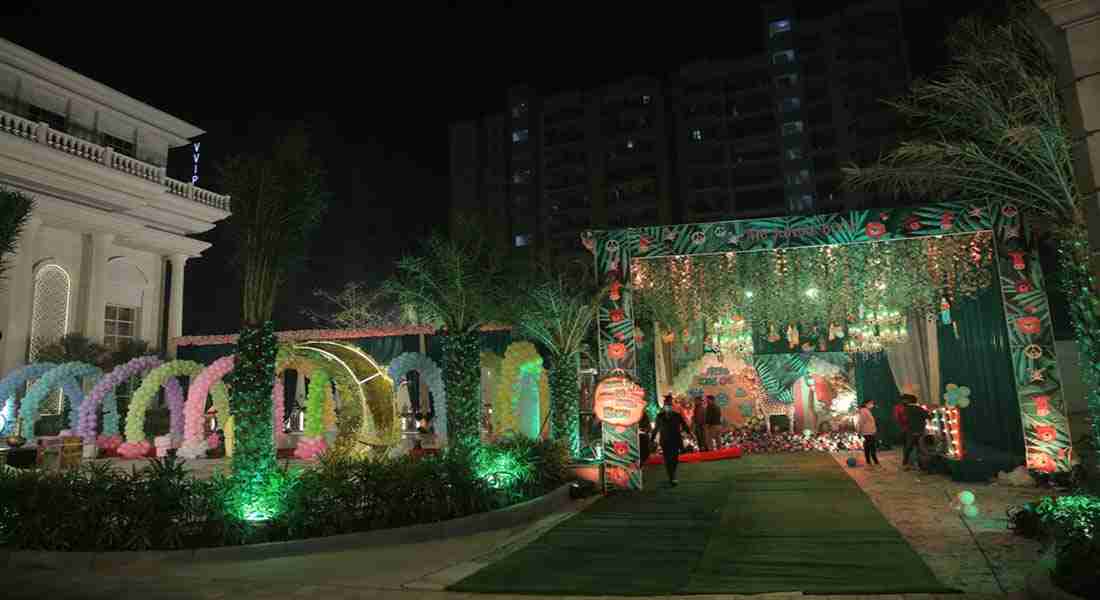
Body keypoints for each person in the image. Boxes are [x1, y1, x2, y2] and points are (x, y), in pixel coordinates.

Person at [654, 394, 693, 486]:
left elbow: (684, 425)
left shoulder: (677, 415)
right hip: (665, 441)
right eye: (667, 405)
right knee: (667, 459)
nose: (668, 407)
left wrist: (690, 433)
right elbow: (656, 428)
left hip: (675, 439)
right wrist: (652, 439)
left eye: (670, 405)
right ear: (664, 406)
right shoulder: (660, 416)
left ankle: (673, 474)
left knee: (675, 459)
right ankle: (671, 477)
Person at [901, 394, 930, 470]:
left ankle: (906, 464)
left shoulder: (906, 409)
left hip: (910, 431)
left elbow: (905, 420)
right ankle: (923, 465)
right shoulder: (918, 408)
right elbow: (928, 416)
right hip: (919, 431)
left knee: (909, 448)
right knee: (921, 449)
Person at [858, 400, 880, 467]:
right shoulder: (863, 411)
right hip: (867, 432)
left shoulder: (867, 410)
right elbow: (861, 422)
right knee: (871, 446)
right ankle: (872, 461)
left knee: (869, 446)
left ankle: (871, 461)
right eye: (871, 403)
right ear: (866, 404)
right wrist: (859, 431)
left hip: (870, 431)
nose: (872, 405)